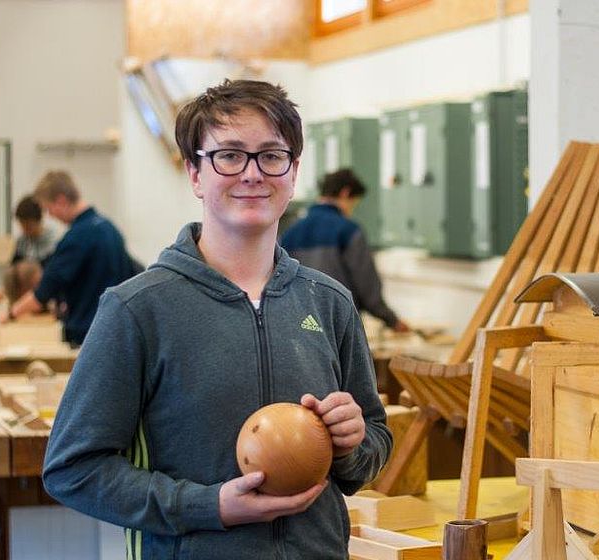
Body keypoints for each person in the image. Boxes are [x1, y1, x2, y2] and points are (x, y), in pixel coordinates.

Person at [42, 80, 391, 560]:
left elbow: (373, 445)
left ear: (293, 173)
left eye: (272, 155)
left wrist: (353, 442)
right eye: (229, 155)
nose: (252, 173)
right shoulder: (137, 308)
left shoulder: (328, 302)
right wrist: (210, 506)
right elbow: (73, 469)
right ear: (194, 174)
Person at [0, 171, 137, 345]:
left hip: (88, 335)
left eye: (48, 209)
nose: (50, 215)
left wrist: (8, 315)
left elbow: (44, 291)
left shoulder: (78, 237)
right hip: (114, 331)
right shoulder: (109, 228)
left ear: (60, 201)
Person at [281, 169, 409, 333]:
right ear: (345, 193)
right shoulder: (349, 231)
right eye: (354, 203)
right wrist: (393, 321)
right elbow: (368, 290)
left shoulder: (290, 233)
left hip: (301, 327)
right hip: (340, 327)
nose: (351, 210)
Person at [11, 195, 57, 265]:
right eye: (21, 224)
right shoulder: (22, 241)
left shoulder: (54, 241)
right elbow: (14, 265)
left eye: (29, 226)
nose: (24, 230)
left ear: (39, 220)